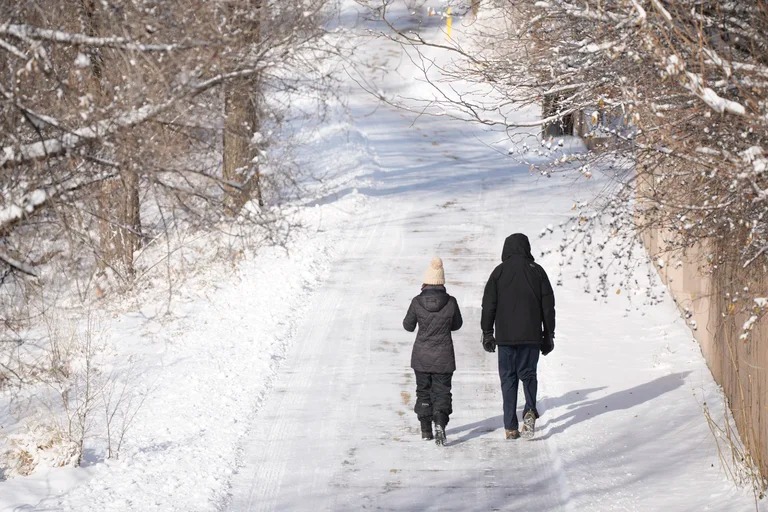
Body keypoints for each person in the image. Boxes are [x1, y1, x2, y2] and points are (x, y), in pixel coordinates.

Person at [481, 233, 555, 440]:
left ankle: (510, 426)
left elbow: (488, 305)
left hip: (505, 337)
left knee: (508, 379)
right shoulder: (537, 272)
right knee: (528, 374)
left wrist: (487, 332)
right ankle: (530, 409)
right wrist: (549, 334)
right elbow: (548, 307)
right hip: (531, 336)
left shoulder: (499, 272)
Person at [403, 257, 463, 446]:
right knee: (442, 392)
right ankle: (440, 423)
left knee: (423, 392)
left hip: (421, 356)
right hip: (444, 356)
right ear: (442, 281)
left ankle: (426, 430)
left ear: (426, 280)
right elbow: (457, 324)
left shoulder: (416, 301)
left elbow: (408, 326)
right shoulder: (451, 302)